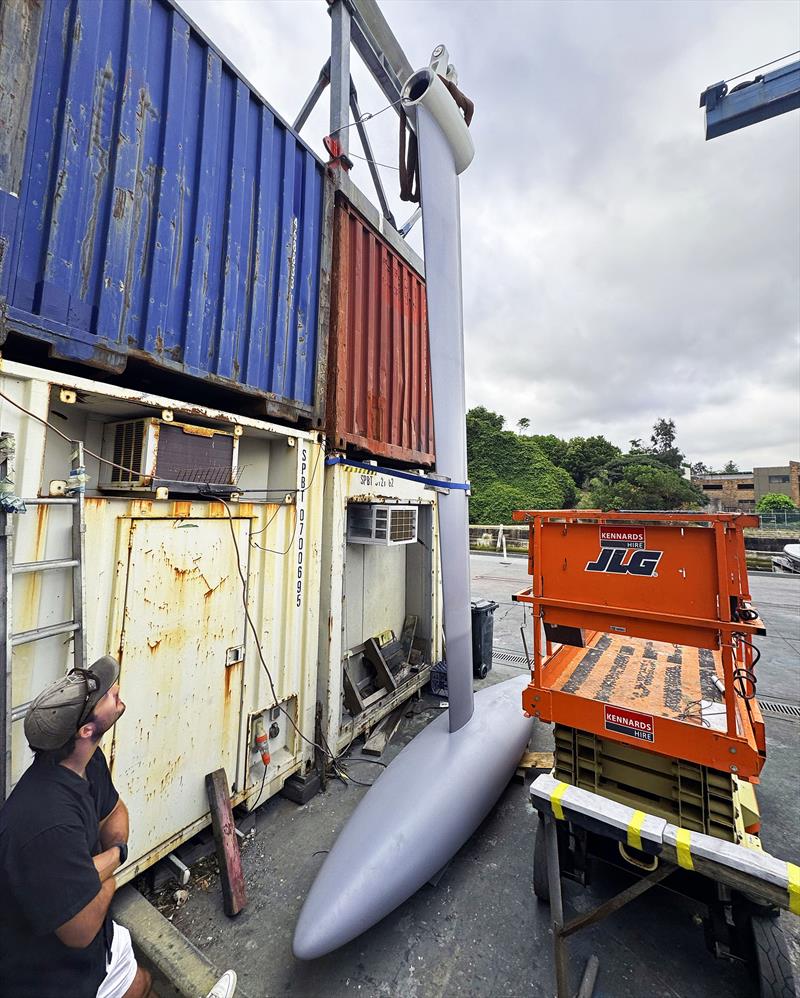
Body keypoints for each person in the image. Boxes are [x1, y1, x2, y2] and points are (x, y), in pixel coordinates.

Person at [0, 656, 237, 998]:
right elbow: (80, 929)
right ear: (85, 730)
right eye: (108, 695)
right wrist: (108, 873)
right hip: (52, 978)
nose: (117, 691)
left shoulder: (85, 761)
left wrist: (106, 861)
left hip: (94, 950)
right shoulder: (47, 824)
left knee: (141, 982)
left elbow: (116, 816)